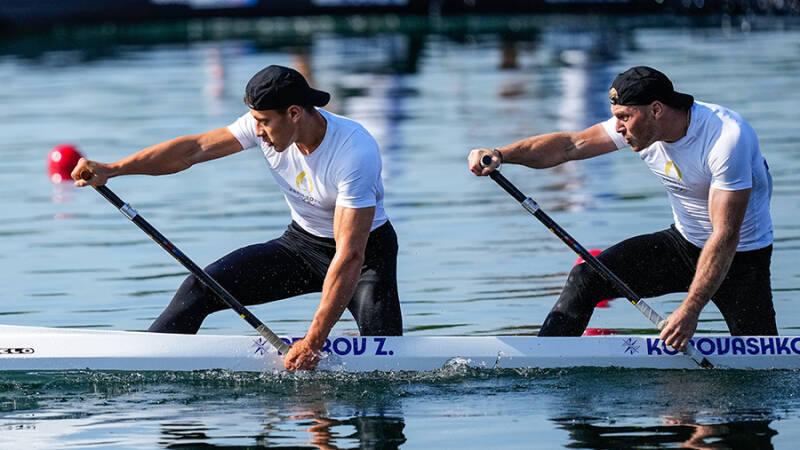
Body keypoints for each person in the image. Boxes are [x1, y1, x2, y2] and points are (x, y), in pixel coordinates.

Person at [72, 65, 402, 370]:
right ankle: (142, 368)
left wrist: (313, 340)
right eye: (254, 120)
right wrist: (114, 169)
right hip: (301, 246)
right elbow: (192, 150)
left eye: (264, 122)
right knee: (198, 290)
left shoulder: (354, 152)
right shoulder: (267, 124)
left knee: (386, 364)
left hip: (365, 259)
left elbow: (349, 254)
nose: (256, 130)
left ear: (294, 113)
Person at [468, 66, 776, 351]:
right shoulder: (639, 125)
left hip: (740, 259)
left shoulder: (726, 138)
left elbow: (725, 234)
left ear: (656, 110)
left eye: (625, 117)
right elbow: (569, 146)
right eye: (616, 116)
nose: (618, 127)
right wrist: (500, 154)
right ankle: (543, 359)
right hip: (682, 244)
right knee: (585, 279)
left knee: (765, 364)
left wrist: (690, 309)